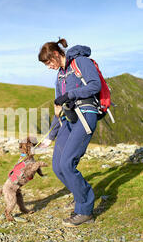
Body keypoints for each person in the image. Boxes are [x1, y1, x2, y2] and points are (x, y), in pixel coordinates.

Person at [37, 38, 101, 227]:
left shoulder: (81, 62)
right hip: (68, 119)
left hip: (85, 115)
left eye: (49, 62)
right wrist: (50, 136)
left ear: (56, 55)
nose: (49, 67)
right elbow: (58, 107)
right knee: (57, 166)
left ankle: (85, 210)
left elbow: (94, 85)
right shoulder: (59, 76)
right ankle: (80, 197)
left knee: (67, 164)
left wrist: (70, 95)